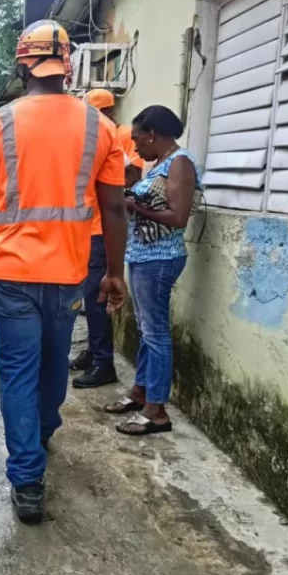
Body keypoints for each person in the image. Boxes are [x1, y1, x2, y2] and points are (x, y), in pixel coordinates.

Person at [0, 20, 128, 524]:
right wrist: (114, 273)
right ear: (69, 64)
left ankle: (28, 479)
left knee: (17, 373)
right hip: (69, 274)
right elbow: (115, 207)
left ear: (23, 63)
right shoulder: (101, 128)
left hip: (12, 272)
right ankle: (39, 434)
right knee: (55, 363)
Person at [104, 105, 203, 436]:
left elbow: (178, 217)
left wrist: (131, 205)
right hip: (145, 255)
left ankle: (156, 410)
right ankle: (141, 393)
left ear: (152, 134)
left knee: (156, 333)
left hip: (161, 257)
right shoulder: (159, 165)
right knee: (148, 329)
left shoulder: (180, 163)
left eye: (137, 140)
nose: (135, 147)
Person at [70, 89, 146, 389]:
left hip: (103, 230)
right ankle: (94, 351)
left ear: (106, 112)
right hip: (86, 228)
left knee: (97, 297)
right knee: (88, 297)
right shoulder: (97, 137)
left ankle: (104, 363)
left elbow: (131, 177)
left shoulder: (119, 134)